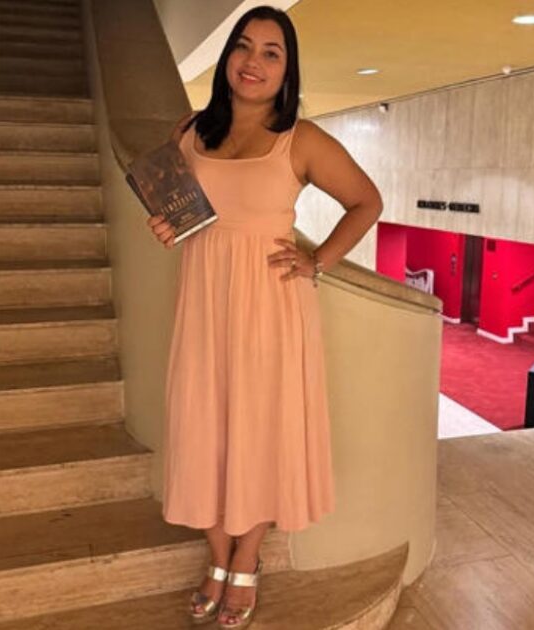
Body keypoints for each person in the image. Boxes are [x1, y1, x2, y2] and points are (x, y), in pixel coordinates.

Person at [146, 5, 382, 628]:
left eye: (271, 52)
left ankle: (245, 559)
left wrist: (318, 261)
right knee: (202, 423)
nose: (253, 62)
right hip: (203, 301)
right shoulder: (187, 131)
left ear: (287, 68)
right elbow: (177, 210)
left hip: (271, 306)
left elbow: (366, 201)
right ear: (228, 56)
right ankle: (217, 555)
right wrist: (164, 225)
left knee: (258, 428)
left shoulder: (300, 139)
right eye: (243, 46)